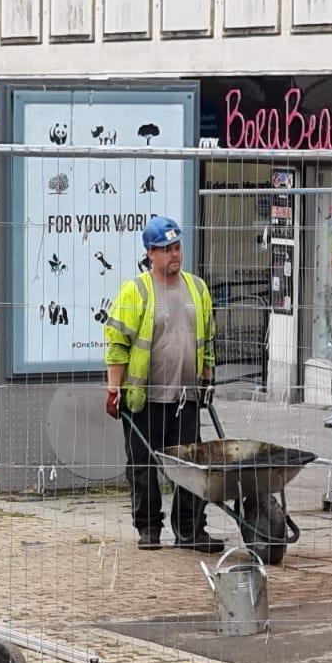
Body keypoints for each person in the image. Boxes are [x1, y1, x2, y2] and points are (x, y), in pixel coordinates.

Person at [102, 215, 222, 552]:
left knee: (190, 466)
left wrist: (208, 379)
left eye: (177, 247)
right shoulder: (136, 291)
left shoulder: (196, 288)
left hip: (185, 396)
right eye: (166, 249)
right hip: (144, 398)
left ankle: (190, 529)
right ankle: (148, 529)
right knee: (143, 465)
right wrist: (115, 389)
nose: (174, 254)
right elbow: (117, 344)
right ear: (150, 253)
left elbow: (208, 339)